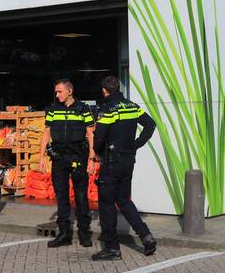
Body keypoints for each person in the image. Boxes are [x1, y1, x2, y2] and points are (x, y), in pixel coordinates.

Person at [90, 75, 157, 261]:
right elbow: (150, 124)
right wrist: (136, 144)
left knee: (106, 204)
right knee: (124, 201)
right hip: (128, 161)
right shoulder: (132, 106)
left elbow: (100, 137)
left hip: (111, 163)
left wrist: (95, 152)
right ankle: (146, 236)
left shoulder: (107, 109)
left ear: (104, 90)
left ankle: (112, 249)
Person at [39, 79, 96, 248]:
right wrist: (41, 157)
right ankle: (64, 234)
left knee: (80, 196)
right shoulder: (52, 109)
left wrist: (92, 158)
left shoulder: (82, 109)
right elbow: (46, 133)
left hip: (78, 157)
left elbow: (91, 134)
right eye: (56, 92)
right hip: (59, 158)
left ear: (69, 91)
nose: (57, 95)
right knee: (61, 197)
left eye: (60, 91)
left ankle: (84, 233)